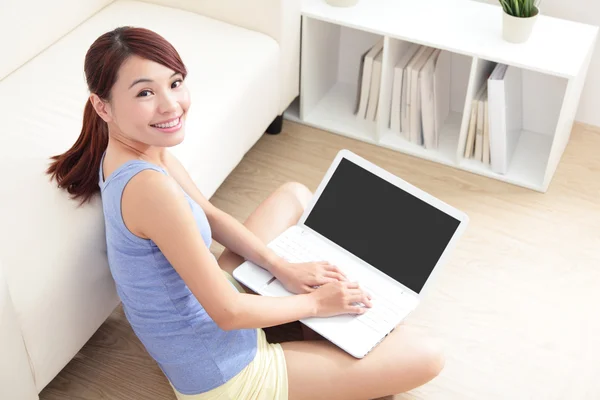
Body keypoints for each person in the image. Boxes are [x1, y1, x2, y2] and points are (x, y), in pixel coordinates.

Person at [47, 26, 445, 400]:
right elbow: (228, 313)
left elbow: (208, 214)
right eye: (145, 93)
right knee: (428, 353)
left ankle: (314, 335)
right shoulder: (147, 187)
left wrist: (283, 267)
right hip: (222, 370)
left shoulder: (141, 149)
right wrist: (317, 305)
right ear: (103, 106)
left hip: (206, 307)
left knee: (293, 195)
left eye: (175, 83)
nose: (171, 105)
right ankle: (314, 337)